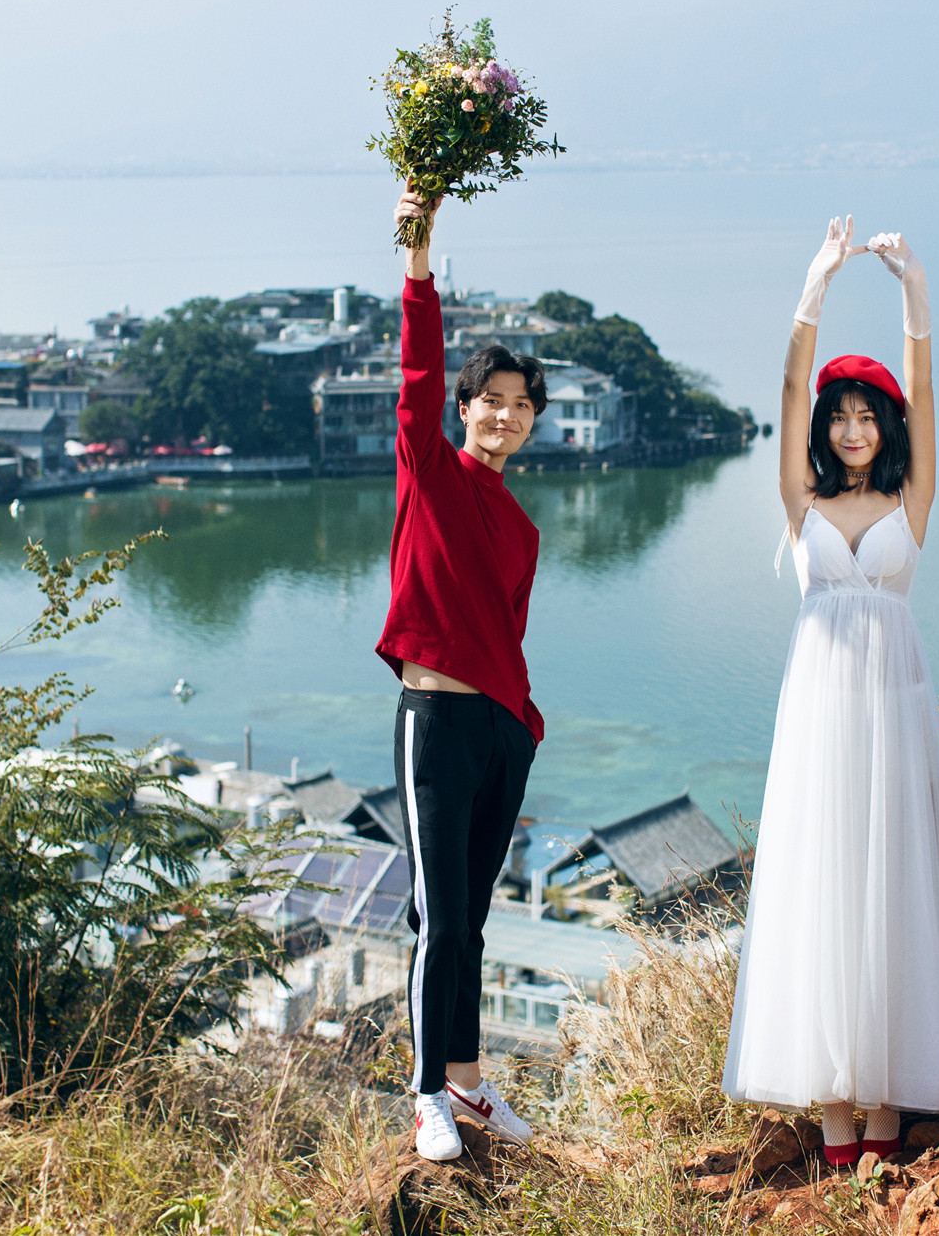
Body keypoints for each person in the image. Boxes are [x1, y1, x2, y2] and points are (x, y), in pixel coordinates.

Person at [721, 216, 939, 1165]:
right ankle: (832, 1109)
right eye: (839, 417)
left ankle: (884, 1104)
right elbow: (789, 386)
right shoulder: (803, 503)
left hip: (893, 706)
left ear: (888, 428)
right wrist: (815, 287)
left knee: (892, 883)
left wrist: (914, 289)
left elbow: (926, 386)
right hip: (819, 713)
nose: (850, 429)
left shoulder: (910, 503)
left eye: (865, 416)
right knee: (821, 880)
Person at [376, 185, 547, 1162]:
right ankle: (425, 1094)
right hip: (434, 722)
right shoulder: (428, 471)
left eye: (521, 408)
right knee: (438, 919)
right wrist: (419, 255)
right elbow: (416, 363)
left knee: (472, 919)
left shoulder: (521, 528)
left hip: (499, 733)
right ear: (465, 408)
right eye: (491, 402)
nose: (504, 417)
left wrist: (522, 724)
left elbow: (510, 636)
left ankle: (472, 1085)